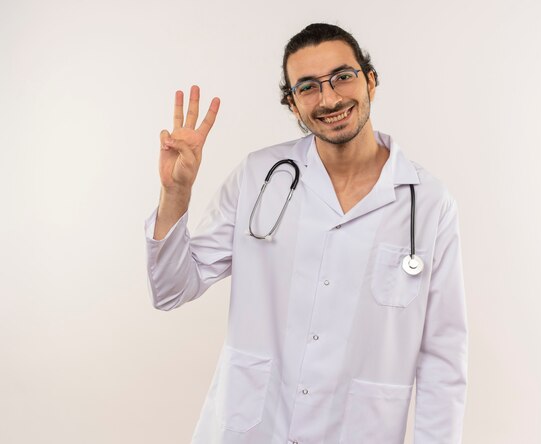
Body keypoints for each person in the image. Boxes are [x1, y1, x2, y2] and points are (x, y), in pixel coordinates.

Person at [145, 23, 467, 444]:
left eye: (343, 77)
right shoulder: (259, 178)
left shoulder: (427, 204)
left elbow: (443, 359)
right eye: (308, 87)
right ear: (293, 105)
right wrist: (176, 194)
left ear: (370, 80)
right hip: (252, 429)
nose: (329, 98)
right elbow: (170, 289)